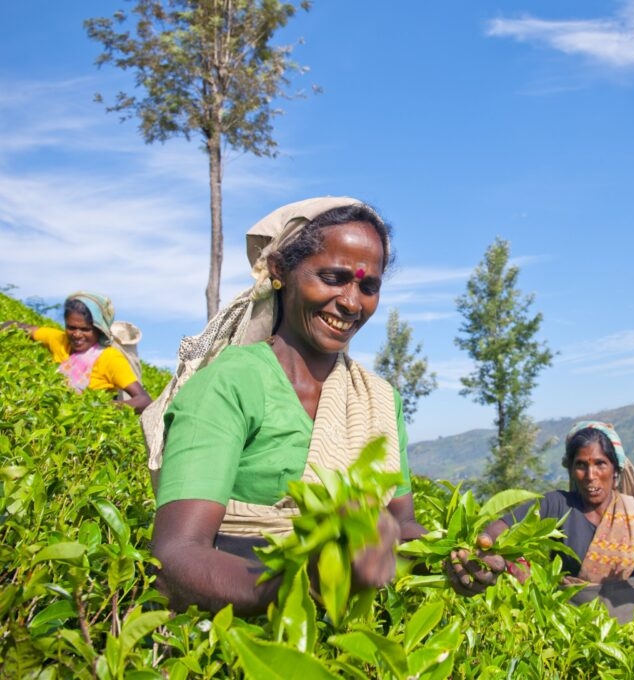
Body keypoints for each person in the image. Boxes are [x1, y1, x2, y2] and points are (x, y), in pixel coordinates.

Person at [149, 197, 503, 616]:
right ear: (280, 271)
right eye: (333, 278)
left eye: (367, 287)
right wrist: (305, 581)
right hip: (232, 634)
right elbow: (175, 555)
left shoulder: (378, 399)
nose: (351, 302)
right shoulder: (231, 383)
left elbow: (402, 526)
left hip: (351, 634)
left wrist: (452, 559)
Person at [457, 421, 634, 623]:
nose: (591, 475)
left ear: (615, 469)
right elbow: (503, 527)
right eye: (581, 465)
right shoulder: (558, 505)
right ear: (571, 469)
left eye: (600, 463)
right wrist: (483, 544)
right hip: (575, 635)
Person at [1, 292, 152, 414]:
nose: (77, 334)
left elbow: (144, 400)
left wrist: (104, 407)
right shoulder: (59, 339)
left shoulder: (110, 358)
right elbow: (20, 326)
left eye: (85, 329)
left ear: (99, 330)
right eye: (71, 327)